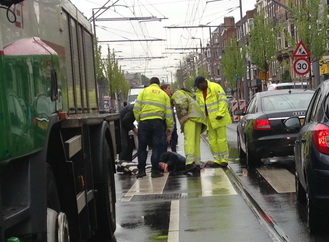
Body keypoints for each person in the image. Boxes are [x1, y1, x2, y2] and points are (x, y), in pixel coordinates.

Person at [133, 77, 174, 178]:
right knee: (156, 147)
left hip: (144, 123)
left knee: (142, 148)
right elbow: (168, 113)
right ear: (158, 84)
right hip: (157, 122)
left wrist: (139, 120)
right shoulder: (163, 94)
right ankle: (155, 171)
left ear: (150, 84)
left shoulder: (143, 92)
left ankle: (141, 171)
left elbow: (136, 109)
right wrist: (169, 127)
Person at [194, 76, 232, 168]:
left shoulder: (216, 87)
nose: (197, 87)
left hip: (218, 118)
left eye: (198, 85)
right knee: (212, 141)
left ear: (203, 83)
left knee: (221, 140)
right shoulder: (199, 93)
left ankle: (224, 160)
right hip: (208, 120)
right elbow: (199, 107)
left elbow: (222, 101)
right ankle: (217, 160)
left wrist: (220, 113)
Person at [171, 87, 207, 173]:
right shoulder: (188, 95)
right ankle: (197, 163)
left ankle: (190, 163)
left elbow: (182, 103)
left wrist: (184, 116)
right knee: (195, 141)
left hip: (190, 118)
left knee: (189, 141)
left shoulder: (177, 93)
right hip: (198, 118)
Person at [160, 83, 178, 152]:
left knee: (174, 139)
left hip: (172, 123)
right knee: (165, 143)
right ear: (164, 90)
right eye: (168, 88)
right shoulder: (163, 98)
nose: (170, 90)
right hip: (166, 123)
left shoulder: (170, 98)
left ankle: (174, 157)